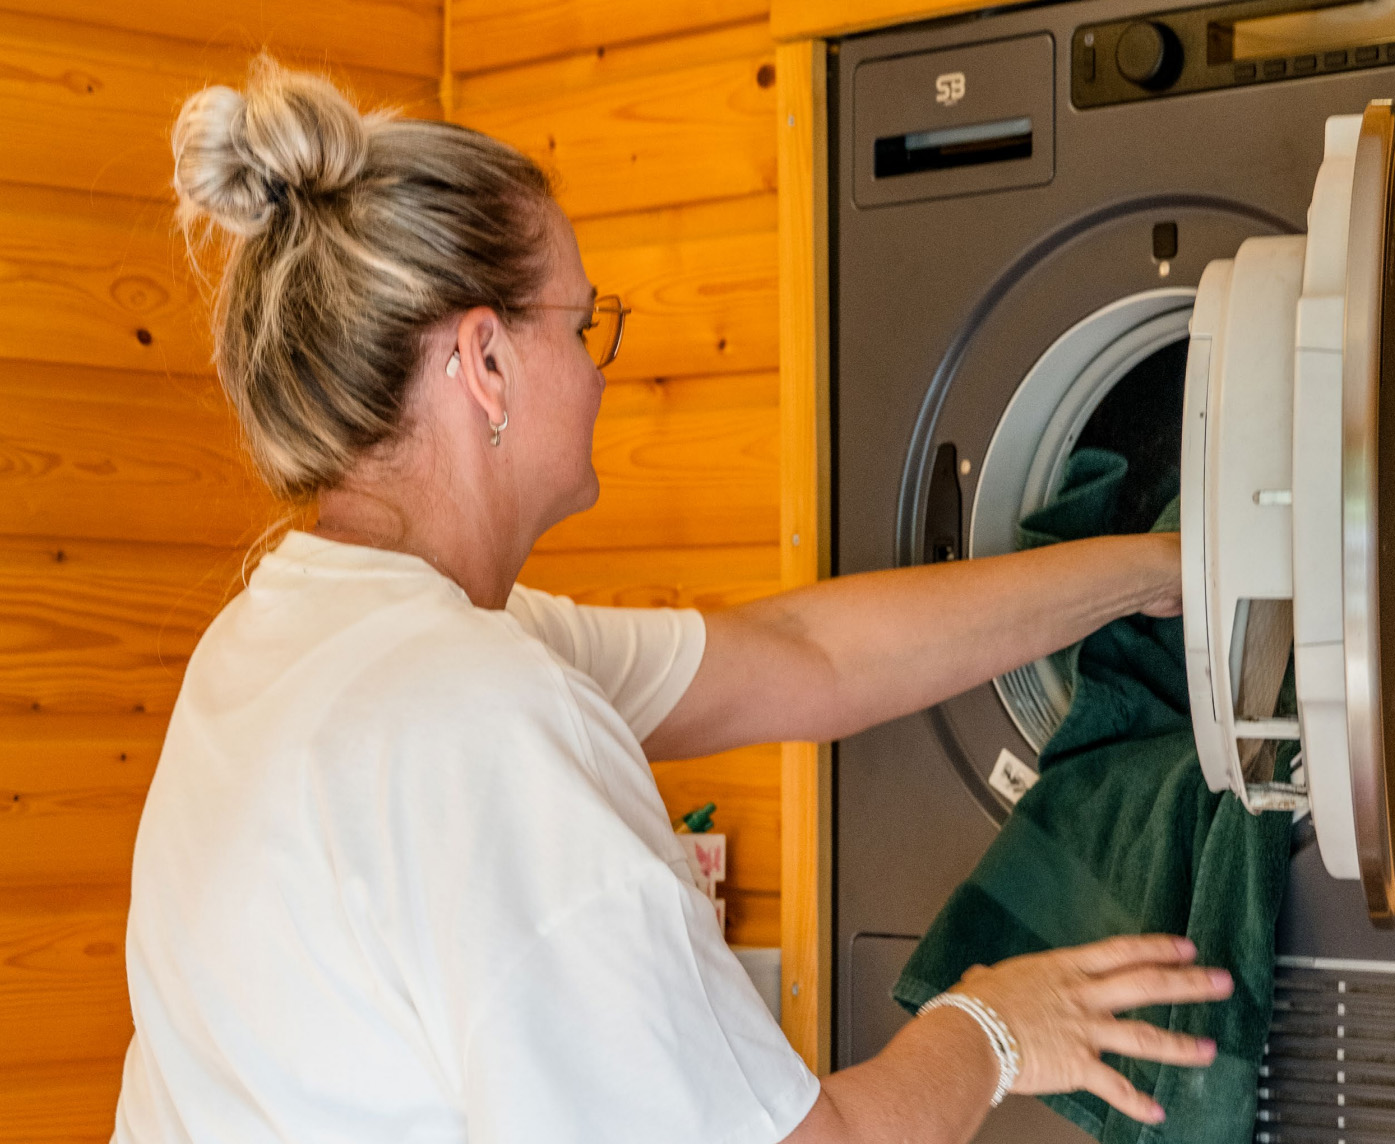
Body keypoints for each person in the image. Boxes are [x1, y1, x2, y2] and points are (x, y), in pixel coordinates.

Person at [113, 58, 1230, 1144]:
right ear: (486, 361)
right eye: (582, 324)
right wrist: (992, 1025)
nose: (599, 369)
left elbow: (804, 658)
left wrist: (1155, 567)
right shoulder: (480, 712)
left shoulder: (299, 639)